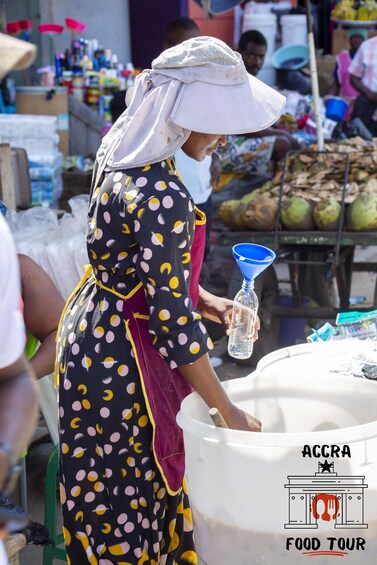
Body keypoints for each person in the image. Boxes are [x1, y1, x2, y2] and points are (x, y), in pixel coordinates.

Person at [56, 36, 285, 564]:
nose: (225, 139)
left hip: (93, 335)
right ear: (188, 114)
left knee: (104, 495)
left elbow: (153, 278)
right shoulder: (162, 197)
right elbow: (171, 328)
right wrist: (226, 410)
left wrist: (213, 304)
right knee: (133, 498)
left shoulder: (119, 147)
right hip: (123, 363)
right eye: (220, 121)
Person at [218, 30, 300, 178]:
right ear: (239, 52)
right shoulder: (232, 79)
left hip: (238, 138)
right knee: (283, 144)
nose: (257, 62)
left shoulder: (249, 80)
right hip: (221, 147)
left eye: (261, 57)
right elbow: (247, 129)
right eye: (251, 56)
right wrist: (281, 133)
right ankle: (275, 185)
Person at [328, 28, 366, 120]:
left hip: (364, 105)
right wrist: (329, 99)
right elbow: (337, 83)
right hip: (344, 105)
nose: (357, 40)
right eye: (354, 37)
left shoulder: (368, 59)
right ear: (349, 39)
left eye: (360, 38)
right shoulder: (341, 58)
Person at [349, 34, 377, 136]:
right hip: (366, 108)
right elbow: (353, 77)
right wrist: (369, 94)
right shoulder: (367, 46)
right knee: (360, 145)